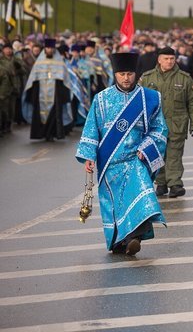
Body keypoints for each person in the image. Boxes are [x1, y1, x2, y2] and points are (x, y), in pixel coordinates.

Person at [75, 52, 169, 256]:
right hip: (110, 163)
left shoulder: (149, 98)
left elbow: (159, 129)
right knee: (115, 204)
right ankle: (120, 241)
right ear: (114, 74)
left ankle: (133, 238)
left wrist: (146, 148)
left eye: (129, 74)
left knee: (141, 196)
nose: (126, 78)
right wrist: (89, 156)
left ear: (135, 74)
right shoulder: (101, 99)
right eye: (122, 74)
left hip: (136, 159)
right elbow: (92, 129)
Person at [140, 47, 193, 198]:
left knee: (174, 155)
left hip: (177, 124)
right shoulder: (147, 78)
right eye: (166, 59)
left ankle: (175, 184)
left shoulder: (184, 78)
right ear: (159, 60)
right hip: (154, 125)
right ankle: (161, 183)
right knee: (158, 154)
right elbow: (138, 101)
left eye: (172, 59)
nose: (169, 61)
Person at [21, 38, 74, 141]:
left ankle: (52, 134)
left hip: (55, 93)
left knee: (54, 114)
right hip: (40, 93)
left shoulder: (60, 62)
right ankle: (41, 133)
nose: (49, 50)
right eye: (47, 48)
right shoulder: (39, 62)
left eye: (51, 48)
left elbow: (65, 79)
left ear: (54, 49)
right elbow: (33, 78)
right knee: (39, 113)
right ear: (44, 49)